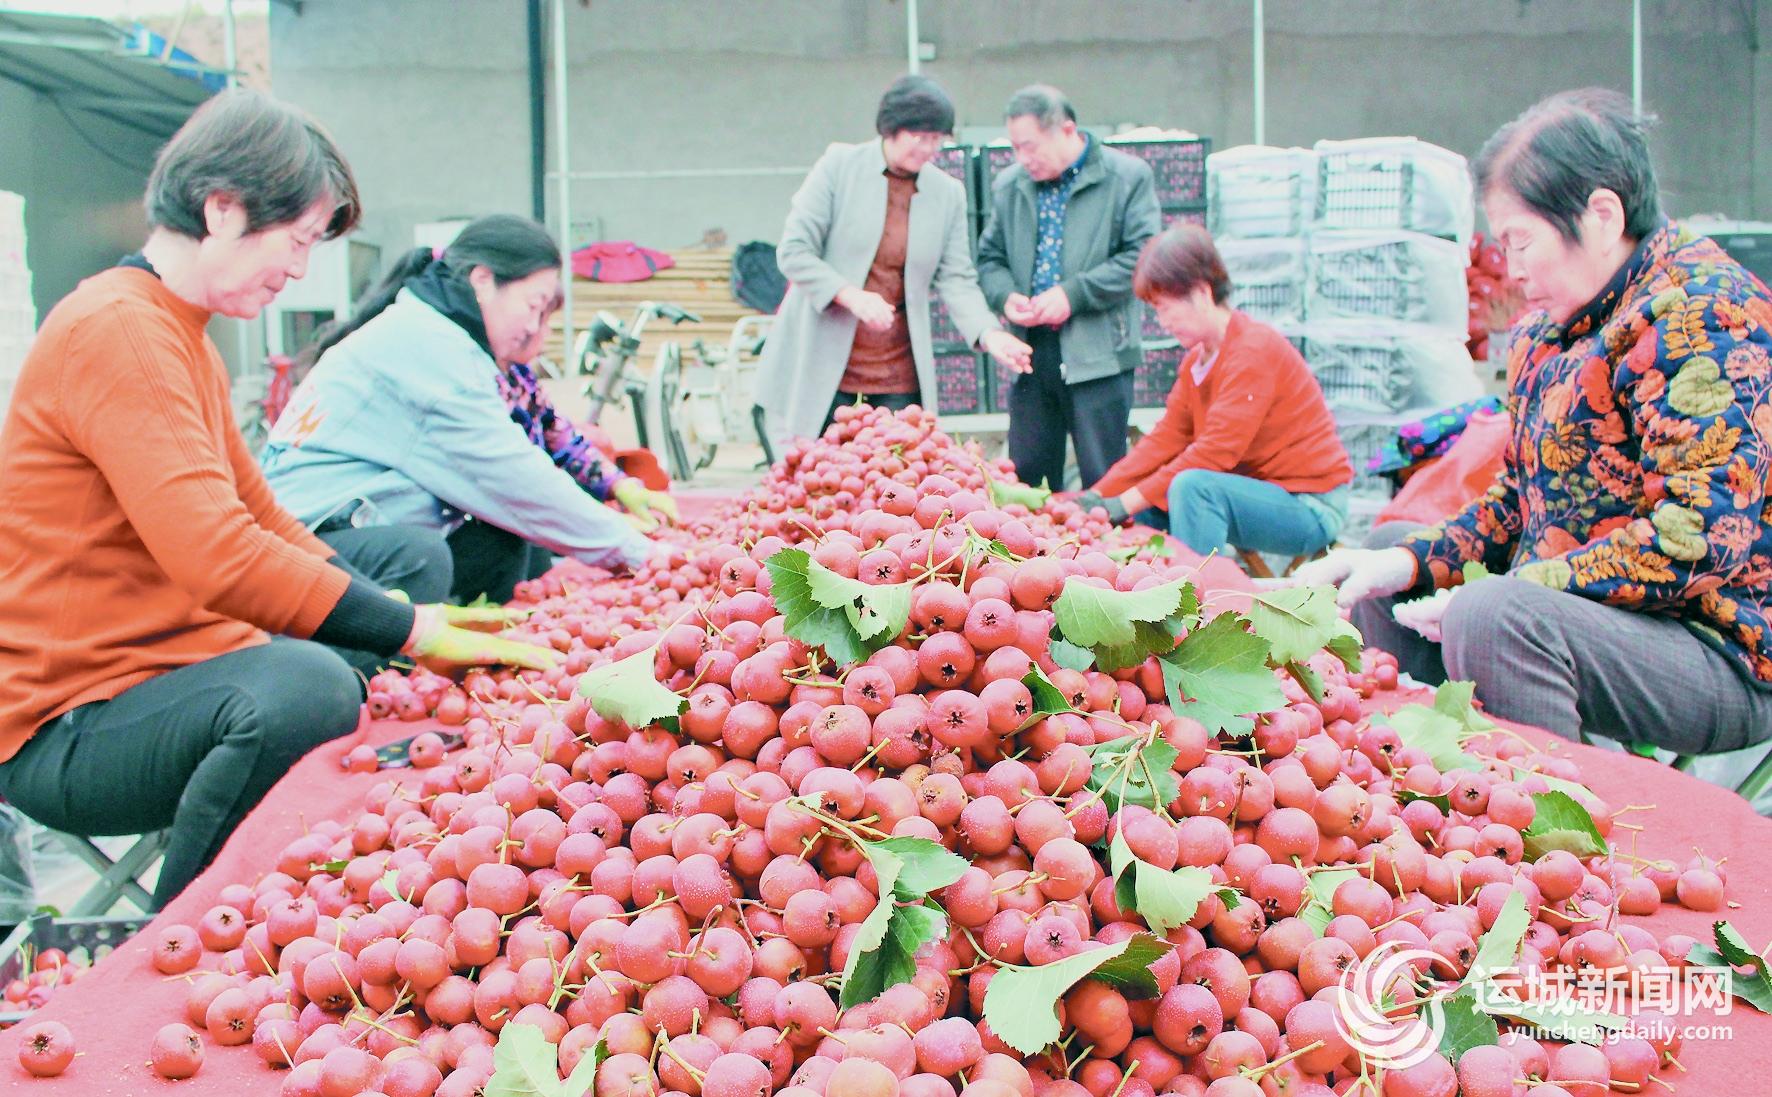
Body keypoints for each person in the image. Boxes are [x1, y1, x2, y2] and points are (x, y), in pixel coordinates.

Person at [0, 90, 555, 909]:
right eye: (295, 241)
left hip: (166, 667)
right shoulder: (119, 332)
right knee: (306, 687)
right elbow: (219, 552)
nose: (298, 269)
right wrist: (411, 626)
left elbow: (265, 519)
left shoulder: (178, 335)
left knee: (396, 567)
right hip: (71, 723)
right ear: (221, 210)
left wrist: (403, 622)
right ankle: (180, 934)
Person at [1293, 88, 1772, 752]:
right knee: (1385, 556)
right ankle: (1424, 782)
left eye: (1522, 241)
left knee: (1497, 618)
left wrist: (1522, 588)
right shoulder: (1551, 335)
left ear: (1601, 214)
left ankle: (1549, 834)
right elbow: (1516, 502)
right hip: (1588, 608)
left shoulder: (1702, 315)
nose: (1511, 271)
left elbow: (1697, 540)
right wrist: (1408, 562)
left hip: (1715, 643)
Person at [262, 215, 674, 604]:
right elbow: (514, 477)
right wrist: (642, 554)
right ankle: (371, 675)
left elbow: (549, 437)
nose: (536, 329)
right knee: (418, 556)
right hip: (300, 545)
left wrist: (620, 491)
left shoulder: (451, 342)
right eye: (534, 306)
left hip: (354, 527)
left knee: (502, 541)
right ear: (483, 281)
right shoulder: (429, 346)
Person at [756, 75, 1031, 446]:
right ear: (891, 129)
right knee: (821, 482)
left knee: (895, 483)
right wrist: (850, 295)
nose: (930, 148)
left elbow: (957, 278)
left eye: (938, 139)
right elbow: (794, 251)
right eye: (920, 137)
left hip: (898, 374)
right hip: (823, 368)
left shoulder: (947, 193)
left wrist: (989, 332)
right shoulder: (839, 167)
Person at [1079, 225, 1353, 558]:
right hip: (1261, 492)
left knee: (1193, 488)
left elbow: (1215, 453)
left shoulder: (1253, 350)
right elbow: (1165, 439)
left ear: (1201, 293)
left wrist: (1124, 501)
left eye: (1164, 307)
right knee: (1148, 509)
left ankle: (1192, 598)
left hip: (1311, 503)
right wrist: (1096, 498)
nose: (1162, 322)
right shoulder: (1199, 362)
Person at [976, 85, 1163, 492]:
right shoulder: (1011, 185)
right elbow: (989, 258)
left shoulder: (1126, 178)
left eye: (1031, 147)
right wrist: (1005, 297)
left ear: (1067, 130)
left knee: (1105, 480)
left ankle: (1108, 555)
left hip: (1100, 354)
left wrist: (1073, 295)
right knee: (1029, 481)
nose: (1023, 159)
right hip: (1031, 352)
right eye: (1015, 148)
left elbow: (1144, 258)